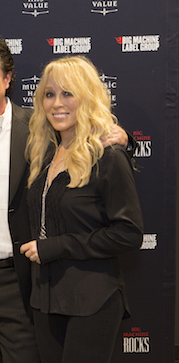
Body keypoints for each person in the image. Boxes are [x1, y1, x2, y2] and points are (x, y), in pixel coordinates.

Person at [0, 33, 131, 363]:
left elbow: (91, 145)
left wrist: (125, 142)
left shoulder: (39, 128)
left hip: (22, 282)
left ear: (8, 78)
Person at [19, 56, 143, 363]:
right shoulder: (43, 153)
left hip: (92, 299)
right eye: (49, 94)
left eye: (68, 93)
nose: (57, 103)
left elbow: (128, 234)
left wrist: (55, 247)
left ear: (86, 98)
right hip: (45, 297)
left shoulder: (108, 155)